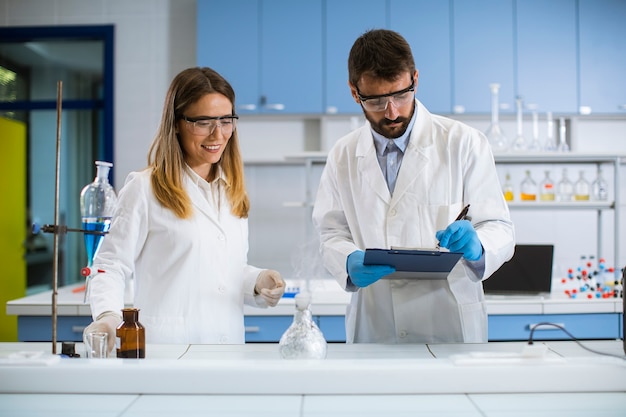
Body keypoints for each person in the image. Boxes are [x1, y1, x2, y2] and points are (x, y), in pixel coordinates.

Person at [312, 29, 515, 344]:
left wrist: (478, 246)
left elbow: (499, 226)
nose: (392, 112)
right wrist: (348, 261)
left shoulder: (464, 143)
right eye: (377, 100)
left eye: (401, 95)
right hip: (374, 326)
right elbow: (330, 233)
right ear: (355, 92)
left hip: (450, 327)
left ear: (415, 79)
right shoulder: (343, 155)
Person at [83, 67, 285, 351]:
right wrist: (107, 316)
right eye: (203, 122)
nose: (218, 134)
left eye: (226, 120)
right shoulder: (144, 187)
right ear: (176, 123)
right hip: (167, 350)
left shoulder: (231, 191)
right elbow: (111, 264)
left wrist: (257, 281)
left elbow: (224, 271)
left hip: (227, 349)